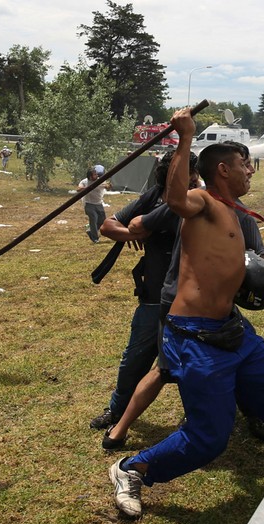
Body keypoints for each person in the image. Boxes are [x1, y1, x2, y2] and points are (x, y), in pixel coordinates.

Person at [109, 110, 264, 517]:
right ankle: (130, 469)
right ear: (223, 170)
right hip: (193, 336)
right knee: (210, 437)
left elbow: (250, 264)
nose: (251, 170)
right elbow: (175, 199)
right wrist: (186, 139)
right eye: (244, 165)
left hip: (233, 331)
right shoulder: (203, 202)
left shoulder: (237, 215)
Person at [101, 141, 264, 449]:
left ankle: (247, 415)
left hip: (208, 305)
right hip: (171, 302)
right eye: (245, 164)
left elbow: (260, 260)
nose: (251, 170)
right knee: (158, 365)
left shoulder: (231, 211)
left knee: (187, 367)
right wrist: (135, 233)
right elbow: (130, 222)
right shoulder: (180, 202)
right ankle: (119, 418)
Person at [88, 151, 191, 433]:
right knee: (134, 358)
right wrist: (134, 233)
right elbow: (108, 225)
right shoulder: (154, 197)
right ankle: (116, 410)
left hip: (192, 299)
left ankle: (204, 415)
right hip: (154, 294)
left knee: (194, 361)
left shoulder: (198, 200)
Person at [79, 165, 111, 243]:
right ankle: (95, 238)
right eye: (95, 174)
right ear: (90, 176)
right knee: (94, 218)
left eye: (96, 174)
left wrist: (108, 186)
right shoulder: (84, 182)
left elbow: (108, 187)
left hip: (99, 204)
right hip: (89, 204)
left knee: (102, 220)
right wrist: (89, 187)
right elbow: (78, 189)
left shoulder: (100, 181)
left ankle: (91, 231)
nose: (97, 175)